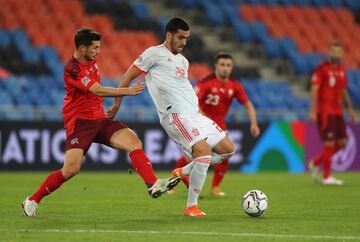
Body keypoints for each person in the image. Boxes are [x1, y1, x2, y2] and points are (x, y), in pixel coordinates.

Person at [22, 28, 180, 217]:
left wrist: (112, 108)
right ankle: (32, 200)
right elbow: (96, 90)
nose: (98, 51)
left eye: (99, 47)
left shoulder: (91, 61)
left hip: (100, 119)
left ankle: (152, 184)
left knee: (133, 142)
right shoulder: (73, 68)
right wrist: (126, 91)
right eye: (95, 47)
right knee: (71, 169)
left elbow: (94, 94)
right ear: (82, 48)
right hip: (80, 123)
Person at [107, 17, 236, 217]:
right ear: (169, 35)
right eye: (180, 37)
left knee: (228, 150)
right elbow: (127, 77)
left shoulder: (183, 61)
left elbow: (183, 89)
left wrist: (199, 113)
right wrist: (116, 104)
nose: (184, 42)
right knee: (204, 154)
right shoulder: (153, 54)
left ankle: (182, 172)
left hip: (195, 114)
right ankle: (191, 207)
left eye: (187, 38)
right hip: (175, 115)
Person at [169, 52, 260, 196]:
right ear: (216, 66)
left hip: (220, 126)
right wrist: (204, 118)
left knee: (226, 154)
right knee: (191, 157)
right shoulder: (205, 82)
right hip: (201, 125)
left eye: (228, 65)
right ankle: (174, 181)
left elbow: (248, 104)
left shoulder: (235, 86)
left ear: (232, 67)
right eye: (222, 65)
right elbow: (193, 101)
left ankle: (215, 187)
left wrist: (253, 124)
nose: (225, 68)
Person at [308, 42, 356, 185]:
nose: (336, 54)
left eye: (338, 52)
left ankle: (315, 162)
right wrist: (312, 110)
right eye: (333, 52)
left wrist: (350, 109)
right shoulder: (321, 69)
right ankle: (327, 176)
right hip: (325, 111)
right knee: (329, 143)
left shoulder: (341, 69)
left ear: (341, 53)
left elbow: (343, 90)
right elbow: (314, 90)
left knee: (342, 143)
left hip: (338, 111)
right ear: (329, 52)